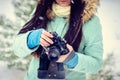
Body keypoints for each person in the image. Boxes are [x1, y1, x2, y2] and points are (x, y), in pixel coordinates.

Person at [13, 0, 103, 80]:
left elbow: (96, 64)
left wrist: (72, 59)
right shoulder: (41, 11)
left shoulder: (91, 21)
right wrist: (31, 38)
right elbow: (16, 50)